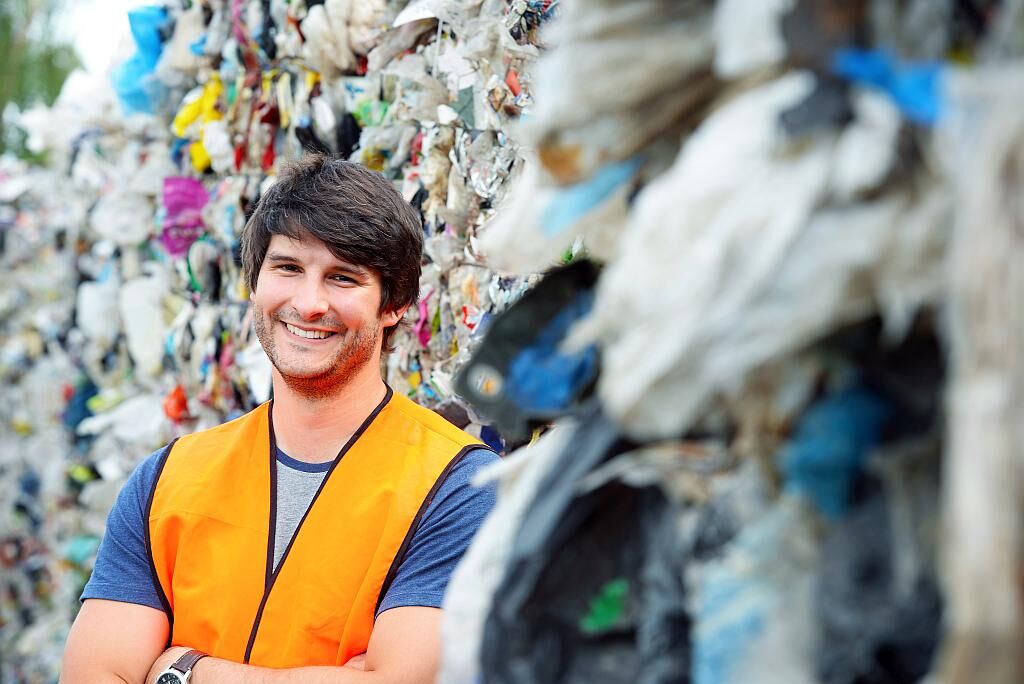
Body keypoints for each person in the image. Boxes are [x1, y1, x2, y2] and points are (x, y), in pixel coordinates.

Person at [60, 155, 499, 683]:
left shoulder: (458, 487)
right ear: (255, 283)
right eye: (288, 268)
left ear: (395, 304)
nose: (308, 304)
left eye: (343, 277)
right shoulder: (167, 481)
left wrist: (183, 671)